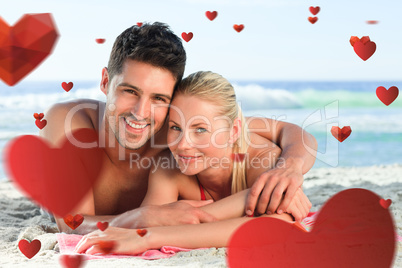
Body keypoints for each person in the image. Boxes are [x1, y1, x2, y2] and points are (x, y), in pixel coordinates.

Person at [40, 22, 317, 234]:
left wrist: (288, 170)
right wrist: (143, 218)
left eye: (159, 98)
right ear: (105, 81)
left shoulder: (177, 131)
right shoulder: (69, 124)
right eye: (130, 91)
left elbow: (288, 131)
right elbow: (72, 225)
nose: (141, 112)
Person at [74, 71, 312, 254]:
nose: (183, 144)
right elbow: (148, 219)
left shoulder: (262, 157)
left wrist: (152, 237)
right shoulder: (168, 169)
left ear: (233, 131)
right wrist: (248, 199)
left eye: (200, 130)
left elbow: (275, 227)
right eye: (175, 127)